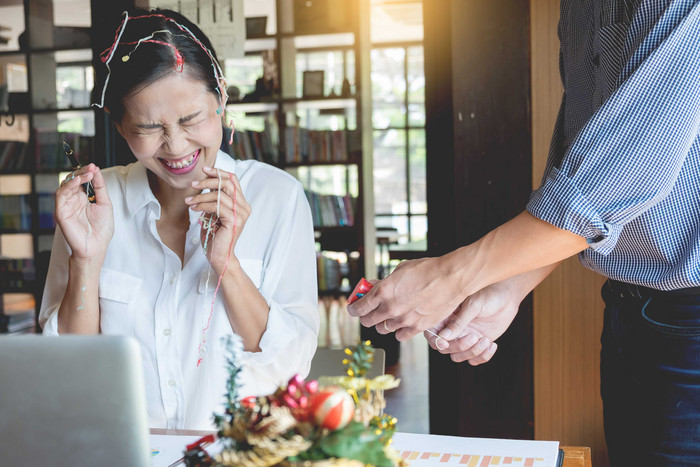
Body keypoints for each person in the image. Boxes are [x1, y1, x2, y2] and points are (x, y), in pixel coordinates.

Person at [347, 1, 700, 465]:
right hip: (628, 306)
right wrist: (510, 287)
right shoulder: (576, 8)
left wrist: (453, 277)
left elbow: (621, 171)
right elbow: (581, 164)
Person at [39, 8, 319, 430]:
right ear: (119, 125)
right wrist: (87, 260)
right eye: (148, 127)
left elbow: (289, 366)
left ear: (221, 97)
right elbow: (68, 371)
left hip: (241, 455)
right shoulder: (95, 203)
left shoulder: (277, 197)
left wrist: (228, 265)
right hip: (125, 453)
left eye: (191, 120)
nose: (175, 146)